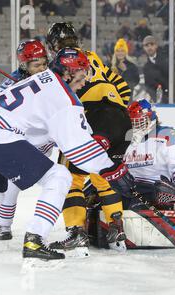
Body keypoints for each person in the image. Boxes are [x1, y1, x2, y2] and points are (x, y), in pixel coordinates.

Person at [0, 48, 135, 259]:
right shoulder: (65, 99)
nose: (84, 82)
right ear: (68, 73)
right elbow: (80, 152)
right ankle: (35, 240)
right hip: (0, 139)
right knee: (60, 176)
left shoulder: (42, 78)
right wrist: (113, 169)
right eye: (82, 75)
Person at [45, 23, 133, 254]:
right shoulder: (93, 57)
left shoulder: (59, 64)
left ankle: (76, 235)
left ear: (53, 45)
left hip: (90, 120)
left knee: (69, 177)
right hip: (121, 120)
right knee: (101, 173)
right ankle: (116, 230)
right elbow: (121, 86)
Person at [0, 39, 50, 240]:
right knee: (13, 184)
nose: (42, 68)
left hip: (46, 139)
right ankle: (3, 226)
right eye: (36, 65)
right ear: (24, 65)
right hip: (24, 140)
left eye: (44, 63)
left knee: (59, 180)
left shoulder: (51, 77)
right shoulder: (12, 81)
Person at [123, 99, 175, 210]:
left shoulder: (169, 136)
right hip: (127, 193)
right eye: (132, 123)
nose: (135, 128)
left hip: (155, 195)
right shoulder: (124, 140)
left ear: (151, 119)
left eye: (139, 122)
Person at [142, 35, 169, 103]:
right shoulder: (146, 67)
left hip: (170, 97)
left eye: (151, 44)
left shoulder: (166, 59)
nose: (149, 47)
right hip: (157, 100)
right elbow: (148, 85)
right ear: (144, 48)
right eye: (147, 45)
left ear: (156, 45)